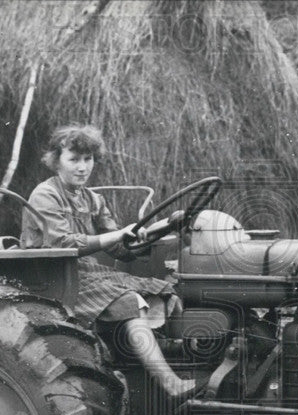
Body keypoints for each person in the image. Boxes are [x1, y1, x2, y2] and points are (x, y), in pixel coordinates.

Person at [21, 124, 196, 398]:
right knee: (130, 301)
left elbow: (121, 249)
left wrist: (158, 230)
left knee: (164, 290)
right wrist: (117, 235)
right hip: (53, 278)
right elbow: (62, 244)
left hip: (87, 272)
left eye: (87, 159)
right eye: (74, 159)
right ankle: (169, 384)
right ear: (56, 161)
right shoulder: (46, 195)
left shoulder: (92, 199)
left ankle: (191, 368)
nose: (82, 167)